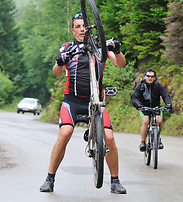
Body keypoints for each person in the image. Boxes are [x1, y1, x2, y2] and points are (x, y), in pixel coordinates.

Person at [39, 13, 127, 194]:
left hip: (96, 102)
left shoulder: (99, 46)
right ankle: (50, 178)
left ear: (89, 29)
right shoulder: (67, 47)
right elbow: (56, 72)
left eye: (83, 26)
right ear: (73, 30)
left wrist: (117, 50)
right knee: (65, 133)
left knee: (109, 138)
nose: (81, 29)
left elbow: (121, 64)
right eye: (77, 27)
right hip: (72, 101)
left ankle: (115, 181)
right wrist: (59, 61)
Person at [130, 68, 172, 152]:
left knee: (159, 120)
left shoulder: (158, 85)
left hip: (156, 107)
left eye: (152, 76)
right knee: (145, 120)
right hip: (143, 107)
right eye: (148, 76)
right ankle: (142, 142)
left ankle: (157, 138)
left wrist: (168, 104)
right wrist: (138, 105)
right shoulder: (140, 85)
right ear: (145, 77)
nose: (150, 78)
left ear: (155, 78)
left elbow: (165, 96)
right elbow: (134, 97)